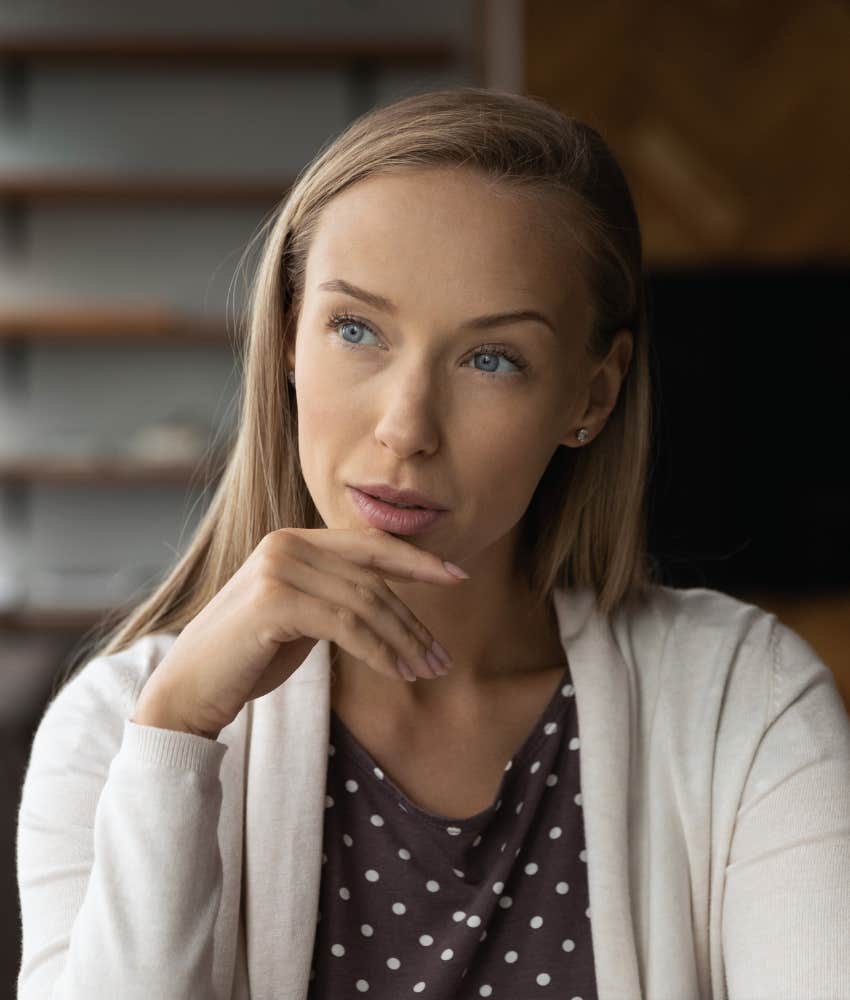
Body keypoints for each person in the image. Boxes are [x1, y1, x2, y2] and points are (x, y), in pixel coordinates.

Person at [16, 87, 850, 1000]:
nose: (406, 428)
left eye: (491, 359)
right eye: (357, 329)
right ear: (290, 336)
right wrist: (175, 740)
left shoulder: (749, 705)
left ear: (592, 397)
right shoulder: (122, 727)